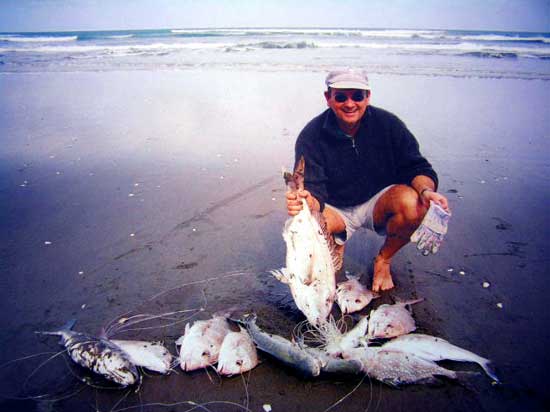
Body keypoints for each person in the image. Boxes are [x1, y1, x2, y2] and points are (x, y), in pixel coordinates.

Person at [286, 68, 450, 292]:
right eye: (341, 97)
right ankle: (337, 242)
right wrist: (304, 201)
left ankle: (383, 260)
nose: (350, 103)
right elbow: (313, 193)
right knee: (311, 226)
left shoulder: (389, 125)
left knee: (416, 204)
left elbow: (416, 166)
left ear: (368, 97)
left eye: (357, 96)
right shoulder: (311, 136)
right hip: (335, 210)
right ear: (328, 98)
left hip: (377, 203)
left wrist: (426, 192)